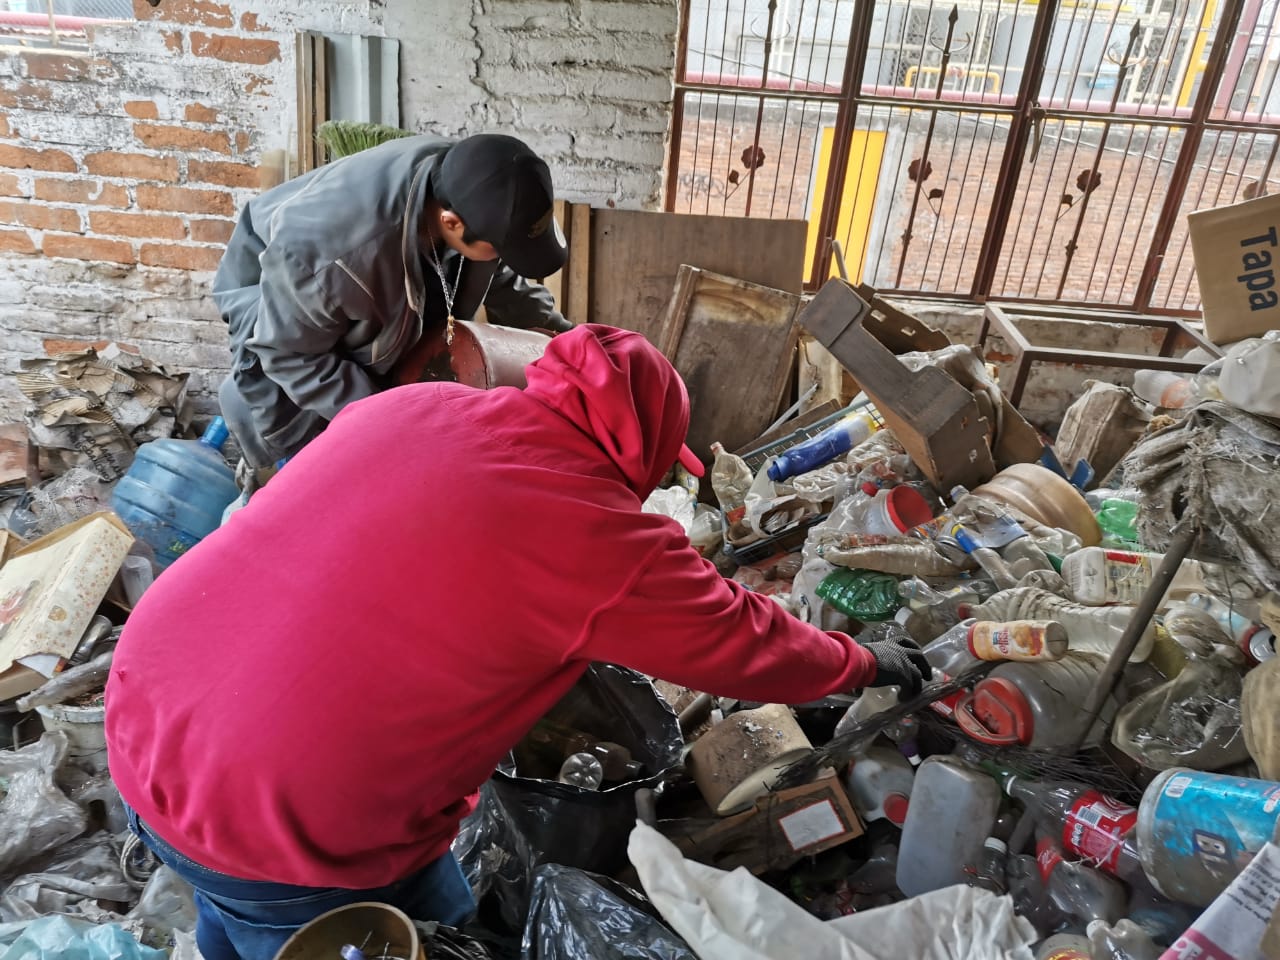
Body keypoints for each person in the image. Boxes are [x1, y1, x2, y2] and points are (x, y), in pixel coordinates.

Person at [104, 324, 931, 960]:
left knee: (235, 911)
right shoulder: (600, 536)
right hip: (281, 817)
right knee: (431, 930)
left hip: (146, 711)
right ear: (638, 448)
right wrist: (864, 661)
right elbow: (748, 643)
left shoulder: (412, 407)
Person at [212, 131, 572, 488]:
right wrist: (394, 424)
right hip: (285, 340)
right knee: (316, 488)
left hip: (347, 305)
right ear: (451, 223)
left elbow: (501, 273)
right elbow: (289, 356)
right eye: (499, 249)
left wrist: (565, 339)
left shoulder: (473, 182)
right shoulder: (333, 254)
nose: (499, 259)